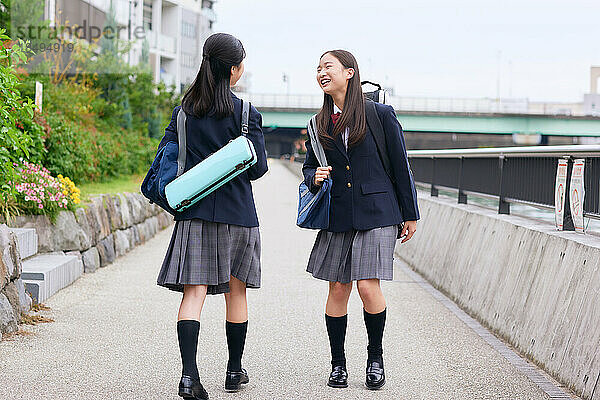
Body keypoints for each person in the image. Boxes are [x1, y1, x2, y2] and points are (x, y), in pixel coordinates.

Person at [156, 33, 268, 400]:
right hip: (238, 214)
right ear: (233, 70)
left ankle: (189, 377)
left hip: (196, 214)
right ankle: (234, 372)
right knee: (236, 293)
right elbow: (258, 170)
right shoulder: (247, 114)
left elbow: (170, 159)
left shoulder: (183, 113)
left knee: (194, 293)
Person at [302, 49, 419, 390]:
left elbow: (400, 163)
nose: (322, 72)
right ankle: (338, 364)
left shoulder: (380, 114)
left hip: (378, 211)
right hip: (338, 213)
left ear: (350, 73)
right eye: (319, 68)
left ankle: (375, 357)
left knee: (368, 285)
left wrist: (410, 213)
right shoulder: (317, 123)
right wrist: (315, 177)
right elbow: (309, 167)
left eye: (329, 66)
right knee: (338, 287)